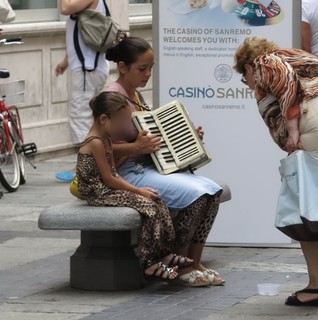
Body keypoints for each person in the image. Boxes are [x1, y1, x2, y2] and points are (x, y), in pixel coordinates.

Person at [105, 35, 225, 287]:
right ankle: (179, 264)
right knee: (197, 195)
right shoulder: (112, 97)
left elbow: (149, 137)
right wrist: (135, 146)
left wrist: (188, 135)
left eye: (151, 68)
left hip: (148, 166)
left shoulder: (134, 95)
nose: (148, 74)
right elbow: (96, 146)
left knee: (213, 192)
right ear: (123, 67)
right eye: (142, 68)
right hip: (128, 172)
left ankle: (194, 261)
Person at [234, 36, 318, 306]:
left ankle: (317, 285)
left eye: (243, 78)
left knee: (308, 213)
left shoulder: (265, 63)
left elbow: (287, 84)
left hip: (313, 133)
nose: (248, 84)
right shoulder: (296, 56)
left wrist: (292, 130)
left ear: (247, 68)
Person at [76, 91, 195, 281]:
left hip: (108, 189)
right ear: (104, 119)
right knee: (147, 206)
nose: (125, 128)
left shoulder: (106, 139)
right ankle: (148, 261)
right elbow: (108, 179)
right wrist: (139, 191)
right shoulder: (95, 142)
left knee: (157, 200)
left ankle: (163, 253)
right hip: (98, 192)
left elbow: (113, 174)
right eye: (122, 122)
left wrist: (143, 192)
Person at [55, 0, 109, 182]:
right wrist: (66, 61)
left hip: (88, 69)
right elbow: (80, 32)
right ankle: (90, 163)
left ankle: (83, 167)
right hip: (87, 66)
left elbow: (64, 8)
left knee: (80, 115)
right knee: (86, 116)